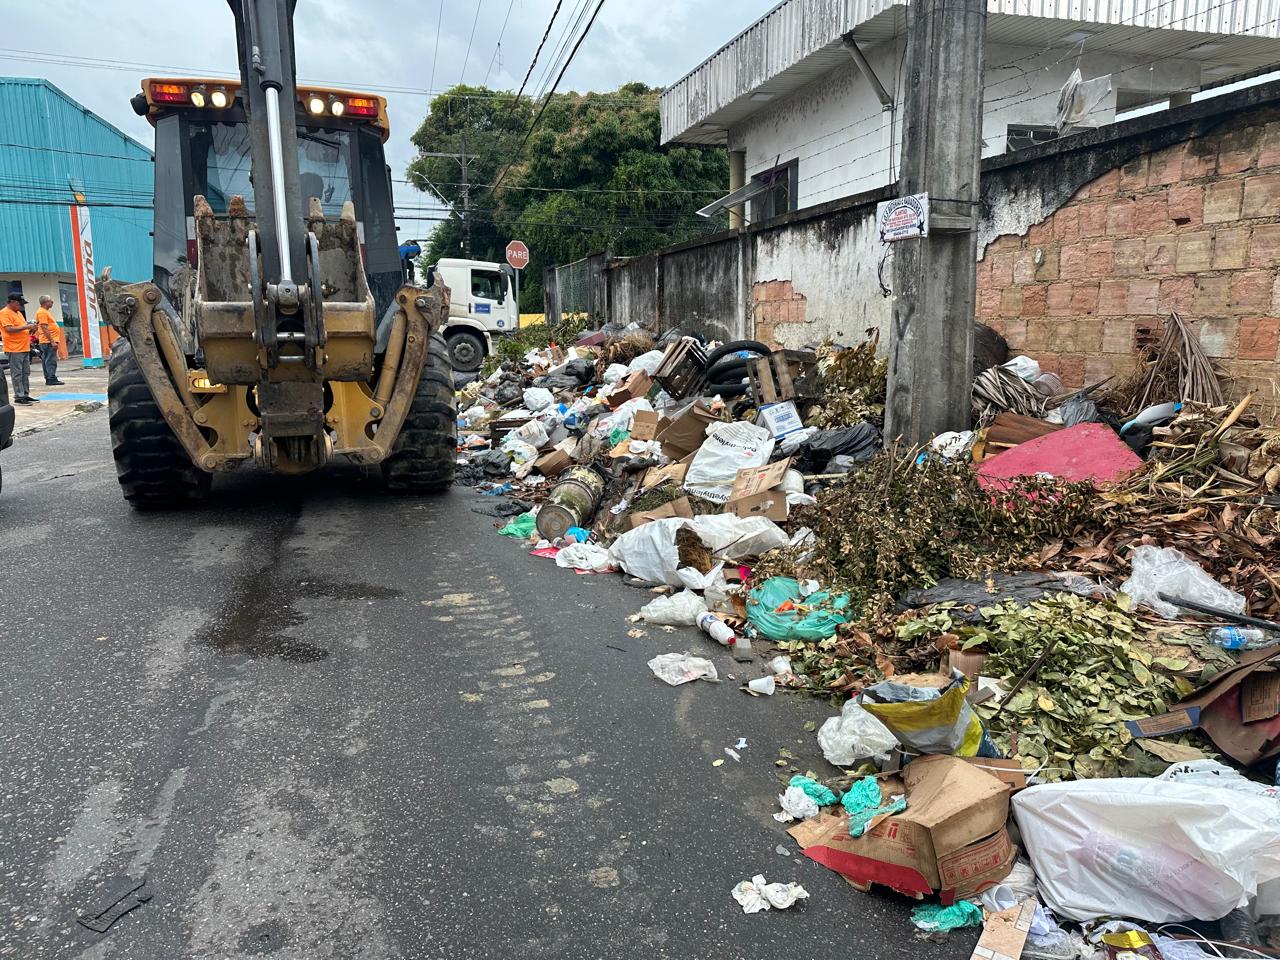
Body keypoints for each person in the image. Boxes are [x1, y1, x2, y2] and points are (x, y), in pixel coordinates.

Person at [1, 292, 39, 404]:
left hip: (24, 347)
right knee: (17, 373)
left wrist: (31, 329)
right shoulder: (4, 313)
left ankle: (25, 394)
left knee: (25, 372)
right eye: (19, 303)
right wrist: (27, 326)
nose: (21, 306)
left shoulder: (18, 313)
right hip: (14, 348)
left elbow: (21, 328)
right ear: (12, 302)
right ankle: (19, 396)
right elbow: (9, 329)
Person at [34, 296, 66, 386]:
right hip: (48, 341)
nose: (52, 302)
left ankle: (49, 377)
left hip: (47, 341)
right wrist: (52, 341)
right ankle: (51, 378)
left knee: (47, 359)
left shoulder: (45, 312)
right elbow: (44, 327)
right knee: (50, 360)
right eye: (50, 301)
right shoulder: (42, 312)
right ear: (46, 302)